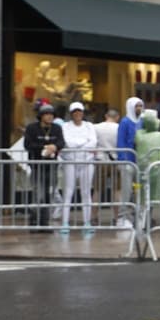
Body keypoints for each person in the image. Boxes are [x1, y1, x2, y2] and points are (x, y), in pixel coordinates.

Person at [58, 101, 97, 236]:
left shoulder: (89, 126)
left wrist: (80, 146)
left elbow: (93, 141)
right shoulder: (65, 126)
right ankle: (65, 222)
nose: (77, 114)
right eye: (75, 112)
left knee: (86, 192)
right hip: (70, 161)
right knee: (68, 191)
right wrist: (83, 144)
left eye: (79, 111)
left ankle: (87, 222)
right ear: (71, 113)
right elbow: (67, 142)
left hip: (86, 162)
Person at [22, 104, 64, 228]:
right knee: (38, 194)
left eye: (51, 114)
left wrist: (55, 147)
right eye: (47, 114)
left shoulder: (56, 128)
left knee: (48, 194)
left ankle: (44, 222)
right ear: (41, 116)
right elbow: (28, 145)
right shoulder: (32, 128)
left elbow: (61, 142)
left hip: (51, 166)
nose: (49, 117)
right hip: (36, 166)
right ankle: (34, 220)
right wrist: (45, 147)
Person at [135, 110, 160, 211]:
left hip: (143, 168)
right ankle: (148, 215)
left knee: (144, 193)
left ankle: (144, 214)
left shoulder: (139, 135)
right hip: (159, 169)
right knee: (153, 192)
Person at [116, 97, 145, 228]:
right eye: (136, 106)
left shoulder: (143, 121)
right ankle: (122, 216)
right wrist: (123, 159)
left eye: (140, 106)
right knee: (126, 190)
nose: (139, 108)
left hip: (140, 161)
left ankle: (138, 216)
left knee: (139, 190)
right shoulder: (125, 122)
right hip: (128, 161)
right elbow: (121, 141)